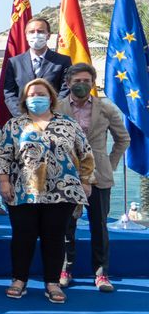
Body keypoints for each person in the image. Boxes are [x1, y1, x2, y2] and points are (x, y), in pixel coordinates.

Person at [0, 78, 95, 304]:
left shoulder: (69, 124)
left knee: (55, 238)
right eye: (31, 95)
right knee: (23, 237)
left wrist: (86, 181)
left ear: (50, 97)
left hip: (62, 192)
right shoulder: (14, 124)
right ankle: (19, 280)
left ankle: (52, 282)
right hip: (23, 191)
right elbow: (2, 154)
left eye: (40, 94)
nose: (36, 98)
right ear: (24, 99)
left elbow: (86, 154)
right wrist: (3, 181)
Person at [56, 63, 129, 292]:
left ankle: (101, 273)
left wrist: (110, 163)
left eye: (87, 81)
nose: (82, 85)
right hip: (65, 176)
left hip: (99, 176)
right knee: (66, 226)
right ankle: (65, 269)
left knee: (99, 226)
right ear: (68, 83)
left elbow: (123, 139)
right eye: (77, 81)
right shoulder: (56, 107)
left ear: (93, 83)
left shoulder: (106, 108)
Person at [2, 15, 72, 118]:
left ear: (48, 35)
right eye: (31, 32)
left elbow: (65, 91)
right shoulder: (14, 62)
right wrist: (24, 117)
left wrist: (50, 114)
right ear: (26, 36)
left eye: (40, 31)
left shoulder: (63, 61)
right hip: (23, 121)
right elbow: (9, 94)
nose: (36, 35)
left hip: (53, 120)